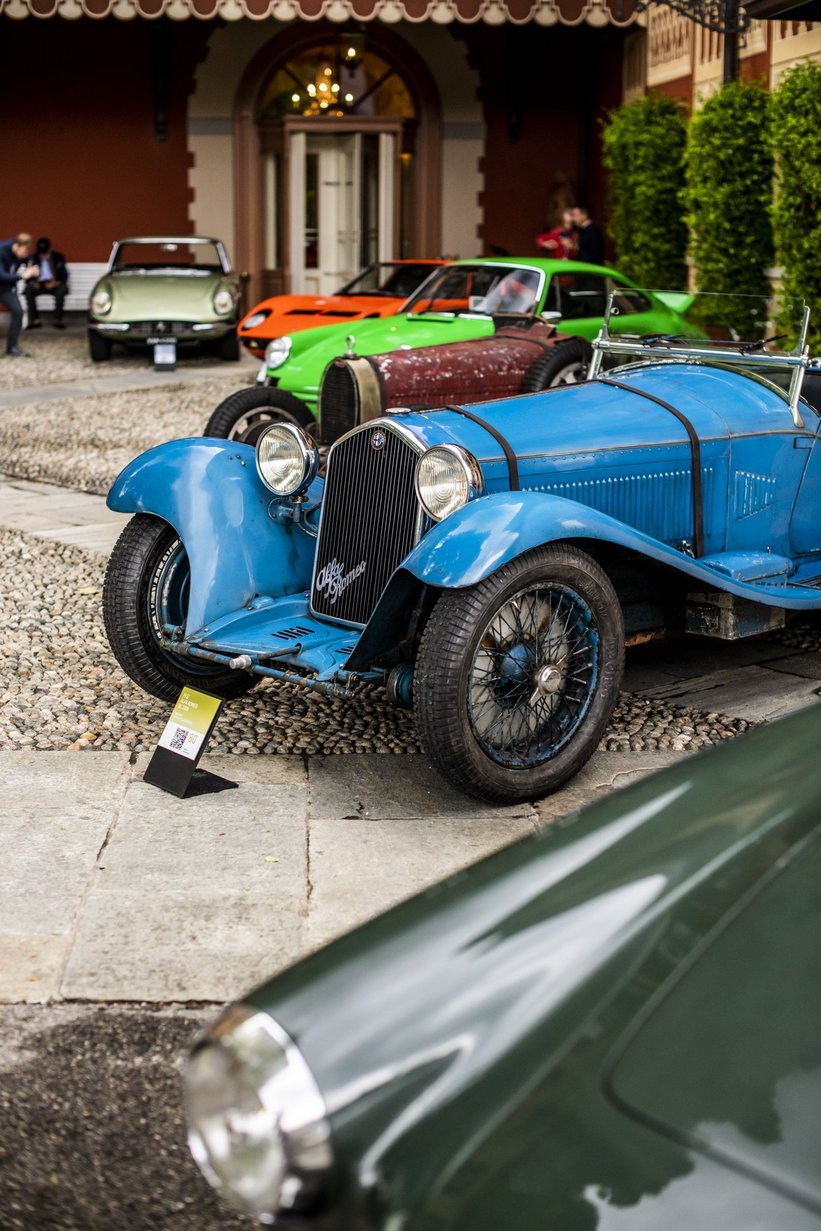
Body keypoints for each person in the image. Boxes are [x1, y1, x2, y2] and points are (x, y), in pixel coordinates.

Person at [0, 232, 38, 357]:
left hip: (6, 288)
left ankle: (12, 347)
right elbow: (2, 275)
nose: (25, 255)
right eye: (24, 252)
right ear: (16, 246)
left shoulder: (21, 250)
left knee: (18, 311)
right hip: (3, 281)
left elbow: (30, 258)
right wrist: (22, 275)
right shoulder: (1, 251)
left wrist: (33, 268)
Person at [25, 237, 69, 329]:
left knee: (62, 289)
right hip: (39, 284)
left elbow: (64, 275)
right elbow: (27, 276)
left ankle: (57, 320)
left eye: (45, 251)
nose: (43, 254)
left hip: (54, 284)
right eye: (41, 252)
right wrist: (33, 282)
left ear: (49, 249)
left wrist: (56, 282)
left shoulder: (58, 257)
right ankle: (35, 320)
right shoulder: (33, 258)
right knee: (28, 289)